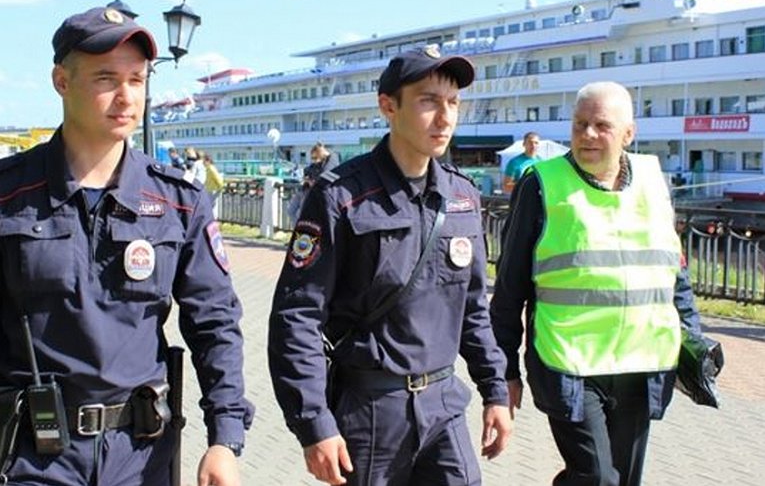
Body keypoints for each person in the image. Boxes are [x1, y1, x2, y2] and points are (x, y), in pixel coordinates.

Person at [0, 7, 253, 486]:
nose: (126, 97)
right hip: (36, 456)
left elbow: (215, 324)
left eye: (137, 80)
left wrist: (225, 438)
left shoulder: (179, 201)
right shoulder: (0, 198)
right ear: (61, 80)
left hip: (141, 456)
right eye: (105, 78)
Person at [268, 47, 512, 486]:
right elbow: (297, 318)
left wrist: (495, 390)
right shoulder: (340, 196)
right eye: (428, 101)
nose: (445, 117)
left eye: (453, 102)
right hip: (370, 412)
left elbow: (473, 309)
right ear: (388, 106)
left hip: (444, 408)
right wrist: (313, 425)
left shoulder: (462, 197)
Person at [490, 81, 702, 486]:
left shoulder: (654, 182)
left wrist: (692, 337)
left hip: (643, 362)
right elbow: (509, 288)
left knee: (623, 480)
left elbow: (675, 275)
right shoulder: (542, 184)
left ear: (628, 133)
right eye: (579, 123)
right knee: (598, 478)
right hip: (569, 362)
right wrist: (505, 370)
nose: (587, 134)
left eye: (601, 125)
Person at [287, 143, 339, 224]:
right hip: (305, 189)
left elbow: (323, 177)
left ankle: (302, 232)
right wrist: (308, 177)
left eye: (315, 158)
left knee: (304, 215)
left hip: (314, 192)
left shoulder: (331, 160)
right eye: (312, 158)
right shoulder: (319, 163)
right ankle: (300, 230)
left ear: (320, 154)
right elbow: (308, 169)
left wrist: (311, 181)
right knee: (291, 211)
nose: (313, 160)